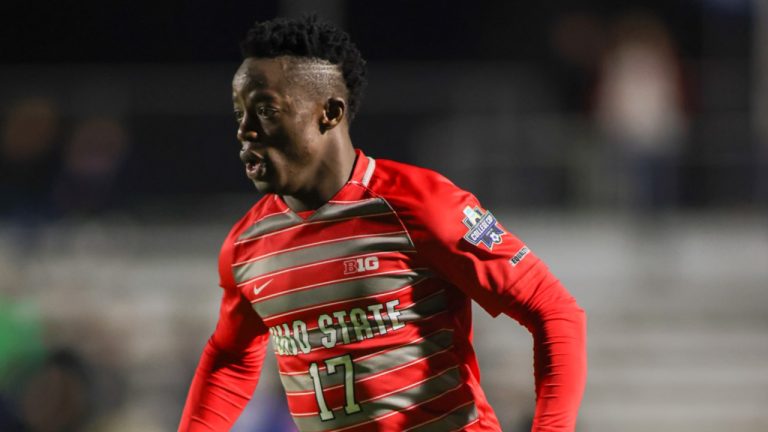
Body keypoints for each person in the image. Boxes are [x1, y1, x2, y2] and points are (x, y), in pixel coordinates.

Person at [179, 15, 586, 432]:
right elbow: (230, 360)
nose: (245, 131)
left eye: (265, 110)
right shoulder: (246, 244)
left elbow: (554, 311)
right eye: (239, 114)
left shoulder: (421, 203)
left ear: (330, 113)